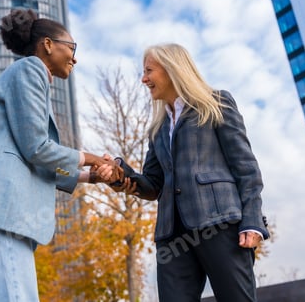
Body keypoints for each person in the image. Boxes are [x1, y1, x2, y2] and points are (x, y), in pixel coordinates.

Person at [0, 8, 120, 302]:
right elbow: (36, 147)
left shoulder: (27, 76)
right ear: (48, 45)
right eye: (72, 48)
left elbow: (33, 156)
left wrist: (89, 177)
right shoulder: (30, 70)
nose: (75, 58)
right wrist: (93, 159)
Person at [108, 43, 269, 301]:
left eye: (149, 70)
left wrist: (252, 220)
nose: (144, 78)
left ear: (173, 69)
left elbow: (246, 168)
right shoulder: (157, 128)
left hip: (220, 224)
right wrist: (120, 175)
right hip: (172, 236)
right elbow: (152, 185)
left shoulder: (216, 103)